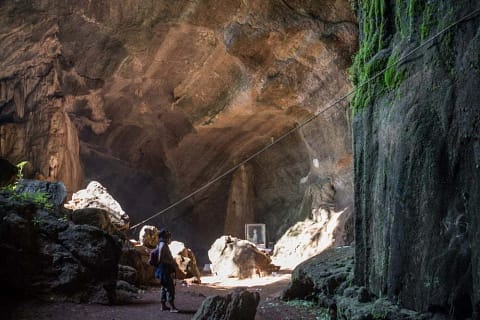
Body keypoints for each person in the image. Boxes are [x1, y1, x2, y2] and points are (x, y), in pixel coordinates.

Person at [154, 229, 178, 312]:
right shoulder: (163, 245)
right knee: (170, 288)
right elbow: (160, 258)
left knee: (164, 288)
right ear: (165, 236)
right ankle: (172, 307)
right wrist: (171, 262)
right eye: (168, 236)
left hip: (162, 270)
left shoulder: (161, 244)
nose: (170, 237)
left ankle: (163, 306)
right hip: (164, 270)